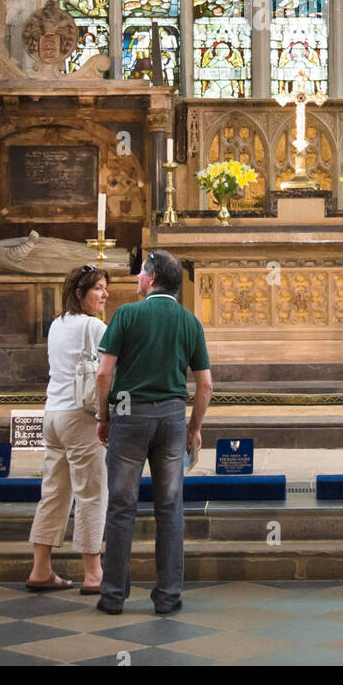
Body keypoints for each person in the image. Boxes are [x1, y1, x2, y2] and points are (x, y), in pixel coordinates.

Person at [95, 249, 212, 615]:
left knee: (121, 506)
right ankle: (167, 596)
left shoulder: (127, 314)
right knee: (170, 508)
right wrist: (194, 427)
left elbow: (103, 373)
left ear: (152, 278)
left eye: (140, 273)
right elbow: (205, 384)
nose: (137, 279)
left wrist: (104, 416)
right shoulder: (190, 321)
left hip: (129, 415)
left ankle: (113, 595)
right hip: (173, 418)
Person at [26, 265, 109, 593]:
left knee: (54, 492)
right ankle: (94, 574)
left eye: (105, 288)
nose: (104, 295)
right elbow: (106, 374)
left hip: (53, 414)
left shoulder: (56, 324)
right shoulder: (94, 326)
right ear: (79, 293)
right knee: (91, 493)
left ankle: (41, 569)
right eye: (98, 289)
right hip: (81, 416)